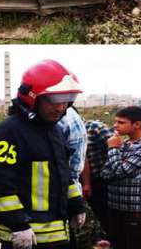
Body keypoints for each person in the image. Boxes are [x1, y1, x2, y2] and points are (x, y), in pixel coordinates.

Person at [0, 59, 85, 249]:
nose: (61, 108)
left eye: (66, 100)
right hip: (26, 238)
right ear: (32, 97)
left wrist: (76, 205)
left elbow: (63, 175)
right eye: (53, 100)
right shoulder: (7, 132)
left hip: (58, 236)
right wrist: (18, 224)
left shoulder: (54, 131)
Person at [101, 106, 141, 249]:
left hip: (134, 209)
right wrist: (118, 162)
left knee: (135, 244)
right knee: (117, 244)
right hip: (115, 205)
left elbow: (122, 171)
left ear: (137, 124)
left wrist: (113, 150)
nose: (115, 126)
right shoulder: (123, 144)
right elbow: (105, 173)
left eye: (121, 122)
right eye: (116, 122)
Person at [57, 106, 87, 249]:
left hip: (58, 194)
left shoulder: (61, 119)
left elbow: (66, 170)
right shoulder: (72, 116)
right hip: (68, 189)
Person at [81, 119, 114, 241]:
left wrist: (108, 171)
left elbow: (116, 147)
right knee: (100, 214)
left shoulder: (95, 128)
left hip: (104, 180)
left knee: (109, 214)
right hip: (87, 181)